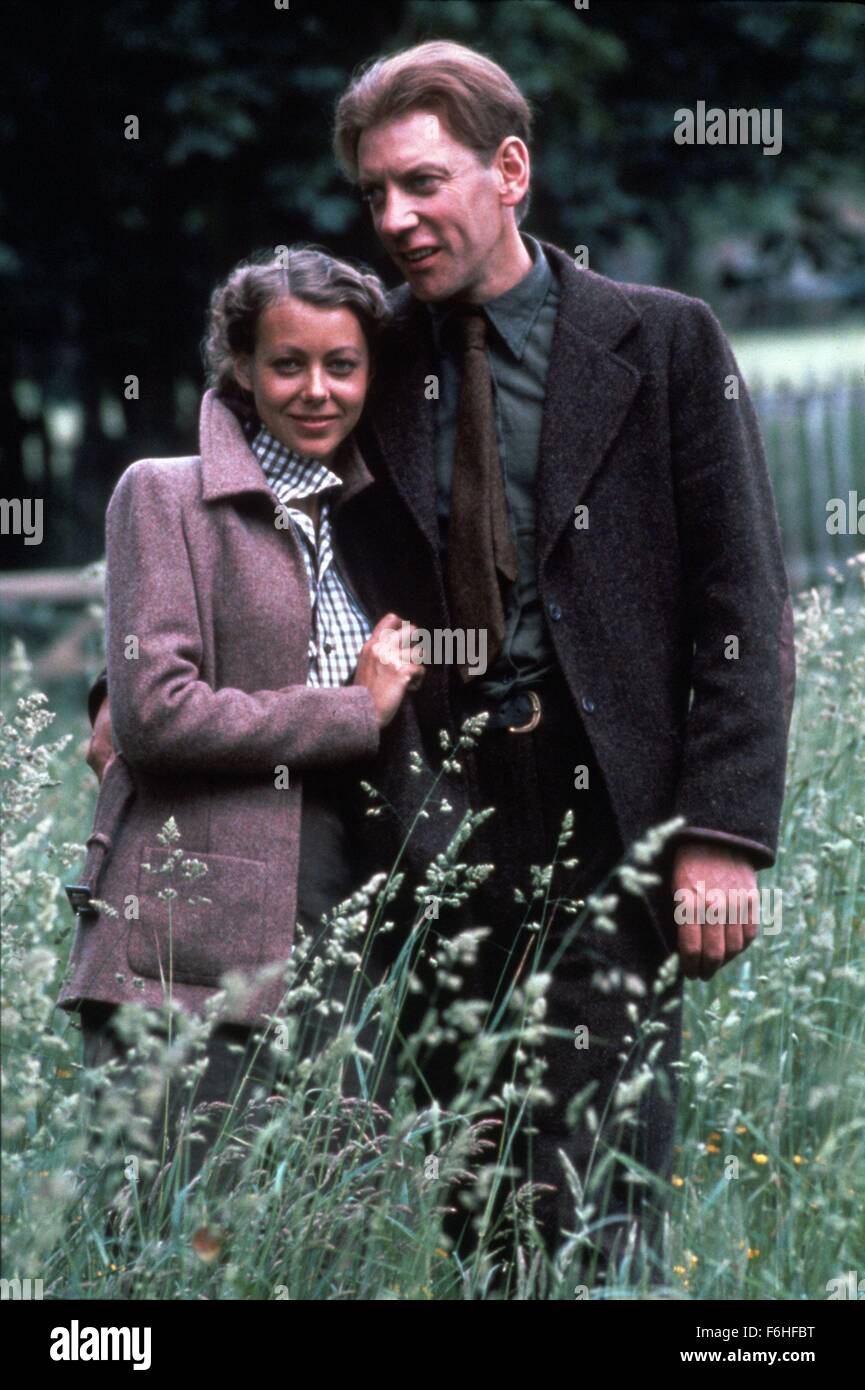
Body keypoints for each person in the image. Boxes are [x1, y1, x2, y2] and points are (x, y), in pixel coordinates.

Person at [80, 40, 796, 1281]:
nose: (395, 219)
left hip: (616, 825)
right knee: (470, 1195)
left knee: (606, 1186)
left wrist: (721, 831)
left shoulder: (666, 343)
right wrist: (121, 683)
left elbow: (742, 599)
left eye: (422, 182)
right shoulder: (368, 350)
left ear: (509, 169)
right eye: (372, 195)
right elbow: (241, 499)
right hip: (421, 824)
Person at [56, 245, 426, 1200]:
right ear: (241, 368)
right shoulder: (166, 494)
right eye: (286, 364)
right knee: (167, 1236)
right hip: (188, 925)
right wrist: (353, 708)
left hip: (345, 911)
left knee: (320, 1239)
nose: (315, 390)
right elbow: (155, 714)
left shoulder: (379, 517)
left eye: (341, 366)